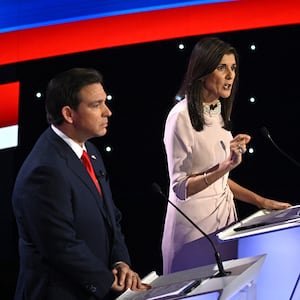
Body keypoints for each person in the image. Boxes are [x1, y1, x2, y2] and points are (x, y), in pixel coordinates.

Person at [12, 67, 150, 299]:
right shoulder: (45, 170)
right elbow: (61, 246)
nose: (108, 112)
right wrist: (108, 282)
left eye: (104, 102)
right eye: (96, 105)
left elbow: (111, 218)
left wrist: (120, 262)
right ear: (69, 114)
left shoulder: (90, 151)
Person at [161, 37, 292, 275]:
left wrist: (260, 202)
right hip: (193, 233)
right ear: (202, 71)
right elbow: (180, 188)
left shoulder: (218, 112)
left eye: (233, 68)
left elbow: (220, 181)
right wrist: (225, 165)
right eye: (222, 68)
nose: (230, 75)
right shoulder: (180, 117)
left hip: (223, 227)